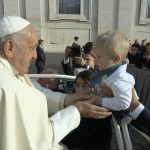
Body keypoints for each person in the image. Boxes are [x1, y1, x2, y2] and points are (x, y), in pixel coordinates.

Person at [0, 16, 112, 150]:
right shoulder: (12, 89)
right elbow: (42, 140)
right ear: (9, 48)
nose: (35, 55)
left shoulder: (9, 75)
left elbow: (35, 91)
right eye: (32, 48)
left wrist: (65, 99)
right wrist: (76, 111)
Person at [62, 70, 112, 150]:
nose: (79, 89)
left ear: (95, 88)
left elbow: (76, 139)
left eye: (84, 86)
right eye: (77, 85)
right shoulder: (77, 103)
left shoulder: (97, 110)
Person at [91, 31, 135, 118]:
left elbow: (124, 103)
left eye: (99, 56)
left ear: (116, 59)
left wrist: (101, 101)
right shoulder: (108, 71)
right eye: (95, 56)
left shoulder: (119, 79)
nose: (95, 60)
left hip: (118, 121)